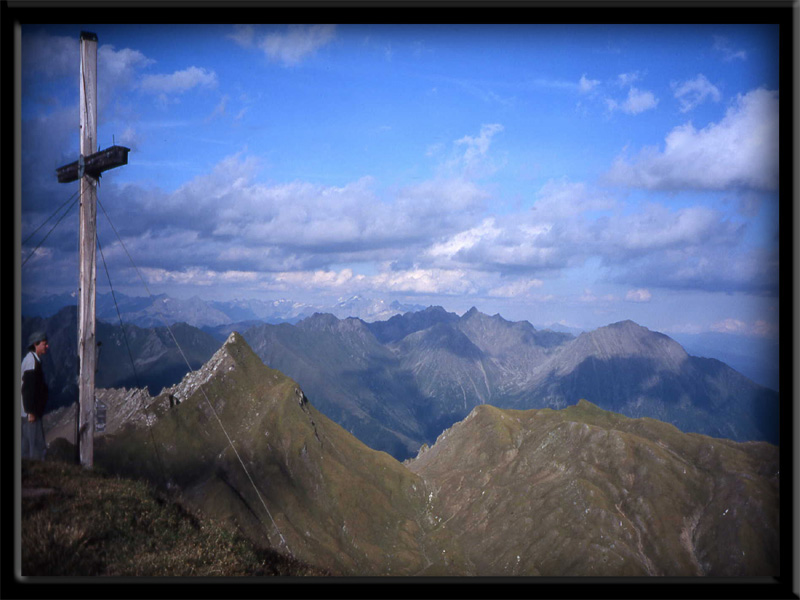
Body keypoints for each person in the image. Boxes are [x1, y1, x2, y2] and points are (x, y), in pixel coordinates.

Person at [21, 331, 49, 460]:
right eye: (44, 344)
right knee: (35, 445)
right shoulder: (31, 363)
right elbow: (28, 389)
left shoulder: (32, 360)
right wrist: (31, 411)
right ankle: (37, 471)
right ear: (36, 344)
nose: (47, 346)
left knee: (26, 446)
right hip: (30, 413)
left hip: (27, 412)